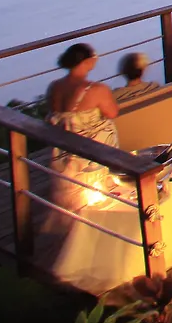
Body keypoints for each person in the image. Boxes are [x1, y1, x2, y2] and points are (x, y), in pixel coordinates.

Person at [45, 43, 122, 209]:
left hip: (63, 151)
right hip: (88, 154)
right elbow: (112, 112)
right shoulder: (96, 90)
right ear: (87, 62)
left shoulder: (54, 87)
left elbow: (55, 115)